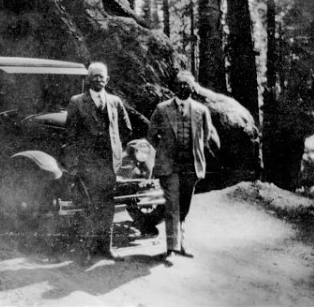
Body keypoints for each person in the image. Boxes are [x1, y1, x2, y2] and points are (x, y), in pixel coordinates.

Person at [64, 62, 133, 262]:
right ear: (88, 79)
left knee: (107, 208)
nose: (98, 79)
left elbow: (126, 128)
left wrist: (117, 148)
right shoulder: (76, 102)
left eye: (102, 76)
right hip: (87, 165)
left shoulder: (115, 101)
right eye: (94, 76)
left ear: (107, 80)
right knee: (87, 208)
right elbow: (70, 137)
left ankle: (105, 249)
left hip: (109, 165)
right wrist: (73, 165)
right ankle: (86, 251)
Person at [147, 70, 220, 260]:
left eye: (186, 84)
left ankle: (181, 243)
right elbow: (151, 135)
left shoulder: (201, 111)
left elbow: (206, 135)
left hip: (191, 165)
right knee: (172, 204)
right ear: (174, 87)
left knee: (184, 204)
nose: (182, 87)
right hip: (169, 165)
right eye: (179, 84)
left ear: (192, 88)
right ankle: (172, 247)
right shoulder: (162, 109)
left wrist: (195, 151)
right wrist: (164, 150)